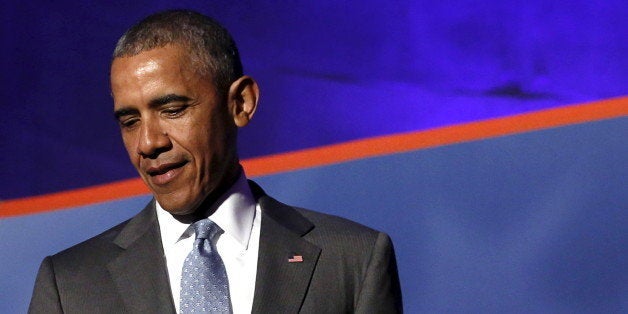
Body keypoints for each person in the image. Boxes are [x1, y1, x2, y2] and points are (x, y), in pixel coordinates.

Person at [29, 9, 402, 313]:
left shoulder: (354, 260)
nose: (148, 143)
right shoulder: (70, 285)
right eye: (129, 121)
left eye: (172, 110)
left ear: (240, 104)